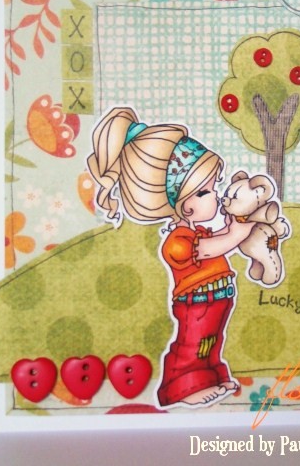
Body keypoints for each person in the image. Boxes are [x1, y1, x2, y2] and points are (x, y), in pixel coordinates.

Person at [87, 107, 255, 407]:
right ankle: (182, 387)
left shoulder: (198, 231)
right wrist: (236, 234)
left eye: (214, 187)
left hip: (217, 299)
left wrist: (234, 229)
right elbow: (209, 249)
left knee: (211, 343)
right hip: (197, 304)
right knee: (192, 345)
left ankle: (213, 377)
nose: (216, 195)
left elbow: (214, 243)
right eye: (206, 191)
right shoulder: (178, 242)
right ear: (185, 205)